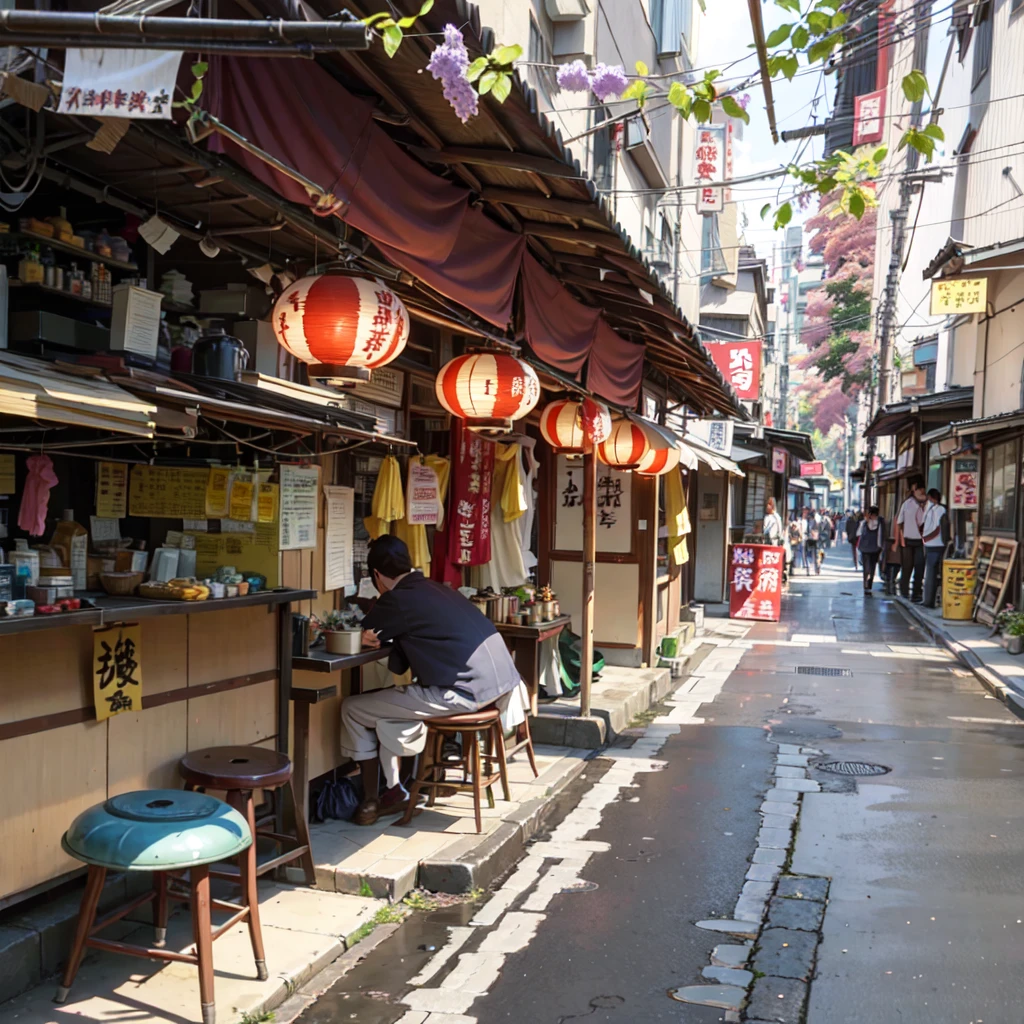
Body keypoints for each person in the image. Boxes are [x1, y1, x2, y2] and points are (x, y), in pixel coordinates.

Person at [341, 535, 522, 825]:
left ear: (376, 575)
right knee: (388, 704)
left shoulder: (397, 598)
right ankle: (396, 785)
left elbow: (362, 634)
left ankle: (374, 797)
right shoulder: (438, 588)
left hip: (463, 693)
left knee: (353, 707)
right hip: (498, 688)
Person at [895, 479, 928, 602]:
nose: (920, 491)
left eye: (921, 489)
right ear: (913, 491)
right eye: (917, 489)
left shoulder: (928, 505)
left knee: (919, 567)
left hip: (921, 541)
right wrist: (900, 540)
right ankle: (904, 591)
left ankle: (916, 593)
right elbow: (899, 522)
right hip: (908, 540)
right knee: (907, 567)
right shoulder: (907, 504)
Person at [922, 487, 949, 608]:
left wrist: (926, 538)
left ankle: (929, 600)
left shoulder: (938, 509)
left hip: (934, 543)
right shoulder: (938, 509)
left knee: (931, 573)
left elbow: (934, 526)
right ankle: (930, 599)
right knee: (932, 572)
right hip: (935, 543)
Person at [856, 506, 887, 596]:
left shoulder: (880, 522)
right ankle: (866, 585)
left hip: (874, 549)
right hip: (868, 549)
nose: (873, 517)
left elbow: (881, 535)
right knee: (867, 568)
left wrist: (881, 547)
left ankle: (868, 585)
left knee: (871, 567)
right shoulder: (864, 523)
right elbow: (858, 533)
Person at [805, 509, 821, 575]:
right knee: (810, 554)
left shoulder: (815, 523)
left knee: (816, 555)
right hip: (810, 540)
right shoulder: (809, 522)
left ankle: (816, 568)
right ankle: (809, 569)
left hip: (814, 540)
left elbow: (817, 531)